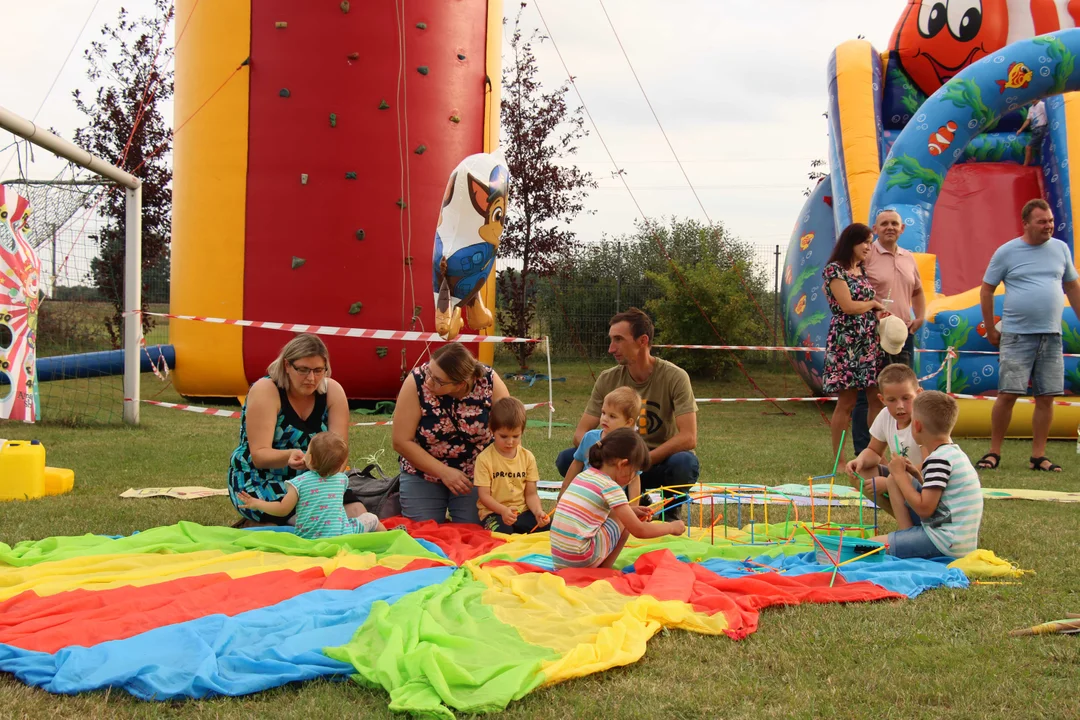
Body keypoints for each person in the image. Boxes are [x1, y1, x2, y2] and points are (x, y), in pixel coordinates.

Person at [556, 308, 698, 509]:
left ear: (643, 341)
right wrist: (607, 458)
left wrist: (638, 460)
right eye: (611, 340)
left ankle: (670, 508)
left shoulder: (675, 376)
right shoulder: (607, 378)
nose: (611, 349)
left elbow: (688, 437)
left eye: (619, 340)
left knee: (685, 463)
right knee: (566, 459)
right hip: (614, 463)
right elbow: (581, 433)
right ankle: (625, 499)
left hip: (653, 461)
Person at [977, 198, 1080, 472]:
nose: (1048, 226)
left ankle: (1038, 456)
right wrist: (989, 328)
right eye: (1042, 222)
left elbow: (1072, 287)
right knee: (1007, 394)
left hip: (1051, 336)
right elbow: (986, 290)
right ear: (1025, 224)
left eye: (1050, 221)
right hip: (1016, 335)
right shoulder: (1007, 252)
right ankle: (993, 452)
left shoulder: (1061, 249)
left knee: (1046, 397)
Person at [228, 333, 359, 526]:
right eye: (303, 370)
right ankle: (255, 523)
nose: (311, 378)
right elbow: (259, 456)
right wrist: (289, 456)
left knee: (357, 512)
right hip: (261, 478)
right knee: (300, 523)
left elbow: (340, 452)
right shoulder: (266, 390)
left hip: (315, 476)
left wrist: (328, 481)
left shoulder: (333, 392)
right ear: (287, 366)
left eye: (318, 370)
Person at [392, 342, 510, 523]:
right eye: (429, 372)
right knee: (423, 531)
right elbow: (401, 441)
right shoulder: (416, 381)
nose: (428, 381)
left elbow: (509, 432)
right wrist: (444, 472)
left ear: (460, 384)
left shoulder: (490, 382)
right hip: (423, 470)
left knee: (474, 530)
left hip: (476, 473)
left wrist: (500, 477)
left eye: (438, 380)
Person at [550, 428, 686, 570]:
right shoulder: (611, 487)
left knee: (624, 516)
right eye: (634, 473)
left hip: (560, 560)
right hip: (581, 558)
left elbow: (593, 512)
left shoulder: (584, 475)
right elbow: (639, 530)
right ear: (623, 465)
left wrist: (630, 510)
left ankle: (600, 566)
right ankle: (605, 570)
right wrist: (671, 527)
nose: (633, 478)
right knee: (626, 523)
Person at [870, 391, 982, 559]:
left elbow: (925, 509)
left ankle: (904, 543)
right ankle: (905, 536)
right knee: (894, 480)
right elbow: (941, 498)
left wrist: (900, 474)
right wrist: (915, 475)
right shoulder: (952, 453)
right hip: (956, 539)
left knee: (867, 547)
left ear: (917, 426)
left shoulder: (938, 460)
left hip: (945, 543)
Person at [851, 209, 926, 456]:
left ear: (902, 229)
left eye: (894, 223)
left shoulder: (908, 258)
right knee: (870, 395)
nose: (890, 227)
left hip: (903, 334)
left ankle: (904, 449)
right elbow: (855, 289)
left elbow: (917, 291)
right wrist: (872, 314)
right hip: (874, 334)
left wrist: (921, 316)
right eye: (884, 224)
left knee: (904, 394)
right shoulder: (866, 255)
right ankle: (866, 451)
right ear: (875, 228)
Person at [237, 431, 385, 539]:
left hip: (308, 538)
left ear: (310, 458)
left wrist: (257, 503)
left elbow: (282, 509)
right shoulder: (341, 480)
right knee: (370, 518)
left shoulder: (298, 483)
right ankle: (389, 539)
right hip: (341, 535)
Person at [822, 223, 887, 465]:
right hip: (846, 342)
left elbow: (864, 303)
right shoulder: (834, 270)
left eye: (871, 243)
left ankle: (875, 455)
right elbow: (848, 306)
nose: (869, 247)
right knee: (847, 402)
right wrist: (872, 304)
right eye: (866, 242)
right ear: (852, 242)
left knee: (875, 398)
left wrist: (879, 313)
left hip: (869, 341)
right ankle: (839, 461)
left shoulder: (862, 271)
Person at [845, 364, 923, 504]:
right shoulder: (885, 415)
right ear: (882, 399)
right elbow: (874, 451)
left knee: (892, 482)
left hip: (928, 481)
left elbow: (930, 464)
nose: (900, 406)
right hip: (901, 476)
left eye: (906, 398)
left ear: (919, 393)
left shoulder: (925, 419)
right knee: (859, 473)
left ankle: (915, 519)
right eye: (892, 400)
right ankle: (904, 517)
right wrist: (860, 460)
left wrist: (890, 482)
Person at [474, 397, 548, 534]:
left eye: (515, 436)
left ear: (522, 432)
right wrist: (503, 511)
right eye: (504, 436)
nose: (510, 442)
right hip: (494, 514)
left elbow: (531, 494)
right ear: (492, 430)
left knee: (547, 528)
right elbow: (484, 496)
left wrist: (538, 512)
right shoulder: (484, 459)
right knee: (502, 532)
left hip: (522, 512)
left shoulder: (528, 457)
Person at [559, 386, 643, 497]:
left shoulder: (631, 446)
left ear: (628, 422)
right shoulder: (590, 437)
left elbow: (634, 478)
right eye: (603, 413)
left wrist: (633, 507)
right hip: (586, 495)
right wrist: (564, 491)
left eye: (612, 416)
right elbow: (576, 463)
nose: (605, 418)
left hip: (613, 501)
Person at [1018, 99, 1048, 167]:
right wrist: (1021, 129)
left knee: (1028, 147)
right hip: (1035, 129)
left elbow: (1047, 115)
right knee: (1038, 148)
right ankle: (1042, 165)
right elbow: (1028, 120)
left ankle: (1025, 165)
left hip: (1041, 128)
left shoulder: (1042, 105)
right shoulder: (1031, 108)